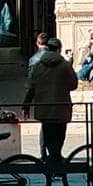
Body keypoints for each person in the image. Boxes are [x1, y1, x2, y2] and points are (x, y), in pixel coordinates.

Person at [22, 36, 78, 169]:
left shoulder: (38, 66)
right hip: (61, 107)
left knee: (48, 135)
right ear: (59, 49)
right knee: (59, 136)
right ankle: (55, 160)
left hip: (44, 108)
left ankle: (52, 161)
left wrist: (26, 105)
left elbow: (31, 87)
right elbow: (73, 85)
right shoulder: (65, 65)